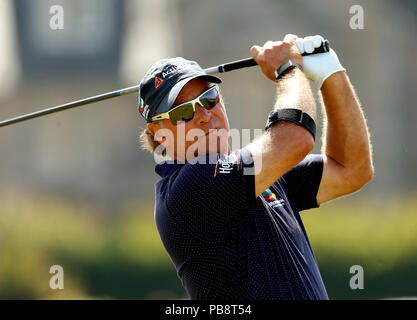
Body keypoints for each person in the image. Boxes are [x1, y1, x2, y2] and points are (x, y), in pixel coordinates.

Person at [137, 34, 373, 299]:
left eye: (209, 99)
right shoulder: (188, 188)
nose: (204, 116)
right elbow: (295, 138)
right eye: (183, 113)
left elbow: (352, 169)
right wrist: (288, 70)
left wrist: (332, 74)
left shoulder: (256, 172)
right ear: (157, 133)